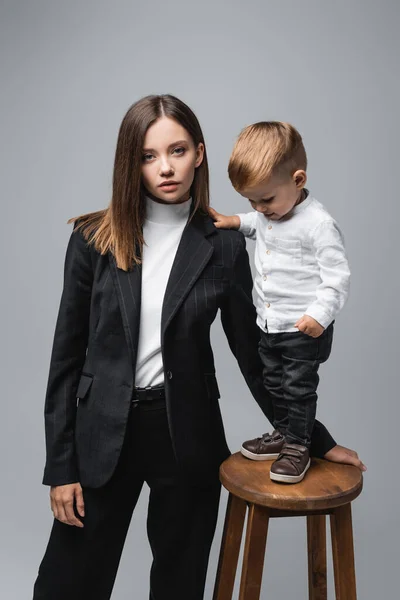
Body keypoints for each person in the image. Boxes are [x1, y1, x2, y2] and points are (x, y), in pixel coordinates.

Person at [33, 97, 365, 600]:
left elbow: (256, 357)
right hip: (99, 438)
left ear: (200, 154)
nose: (165, 167)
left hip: (185, 436)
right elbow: (65, 360)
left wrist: (314, 438)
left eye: (178, 150)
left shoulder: (225, 245)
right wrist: (61, 468)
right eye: (149, 155)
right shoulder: (92, 239)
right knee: (67, 585)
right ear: (132, 162)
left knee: (179, 585)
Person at [209, 121, 354, 484]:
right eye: (251, 201)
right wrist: (234, 220)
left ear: (298, 179)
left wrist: (318, 317)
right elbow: (257, 224)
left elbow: (337, 278)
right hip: (270, 324)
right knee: (273, 384)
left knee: (298, 389)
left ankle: (299, 446)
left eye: (267, 199)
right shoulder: (268, 212)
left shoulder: (318, 224)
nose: (260, 208)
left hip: (302, 328)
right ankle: (285, 434)